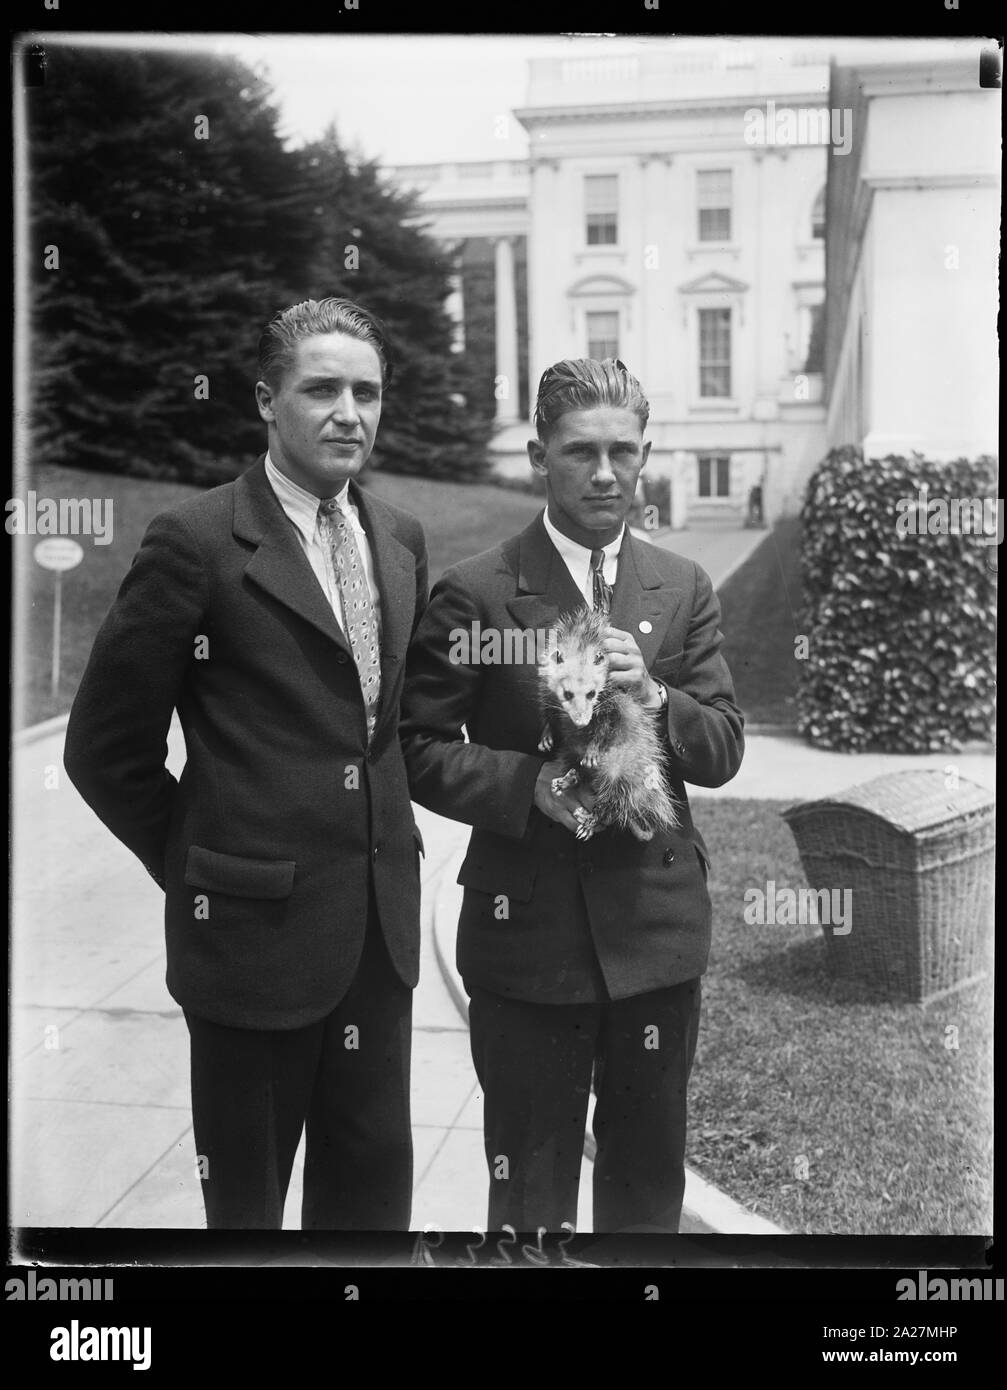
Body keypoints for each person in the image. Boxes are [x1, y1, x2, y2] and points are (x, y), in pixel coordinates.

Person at [64, 297, 428, 1230]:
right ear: (267, 400)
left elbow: (379, 727)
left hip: (378, 949)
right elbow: (105, 750)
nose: (349, 412)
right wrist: (202, 863)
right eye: (321, 389)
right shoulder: (196, 542)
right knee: (248, 1227)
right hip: (250, 952)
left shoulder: (399, 539)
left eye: (367, 391)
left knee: (370, 1216)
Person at [401, 358, 744, 1234]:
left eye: (621, 453)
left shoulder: (680, 587)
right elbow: (417, 744)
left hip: (654, 935)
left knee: (643, 1187)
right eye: (579, 451)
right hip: (528, 942)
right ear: (536, 457)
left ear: (645, 458)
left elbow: (723, 749)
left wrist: (662, 701)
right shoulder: (477, 591)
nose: (603, 473)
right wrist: (526, 787)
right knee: (529, 1195)